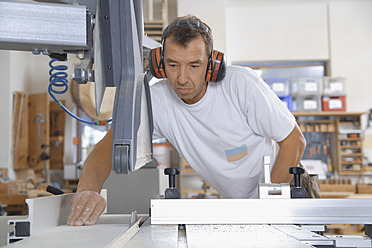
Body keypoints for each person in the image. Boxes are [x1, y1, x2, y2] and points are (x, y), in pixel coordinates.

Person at [67, 15, 306, 226]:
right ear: (160, 65)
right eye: (173, 65)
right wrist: (88, 189)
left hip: (285, 190)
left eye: (194, 65)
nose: (182, 79)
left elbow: (294, 140)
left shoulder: (241, 85)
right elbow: (112, 143)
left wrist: (269, 206)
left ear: (212, 64)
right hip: (241, 209)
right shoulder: (158, 100)